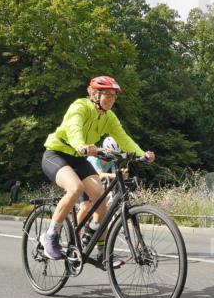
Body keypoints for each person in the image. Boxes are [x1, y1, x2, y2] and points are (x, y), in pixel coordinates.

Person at [39, 76, 154, 268]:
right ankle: (50, 235)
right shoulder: (80, 107)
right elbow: (73, 127)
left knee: (101, 201)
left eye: (114, 96)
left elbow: (124, 139)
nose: (111, 99)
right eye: (107, 95)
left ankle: (100, 250)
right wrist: (82, 145)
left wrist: (142, 154)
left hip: (79, 158)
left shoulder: (109, 117)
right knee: (75, 188)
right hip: (57, 154)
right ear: (94, 94)